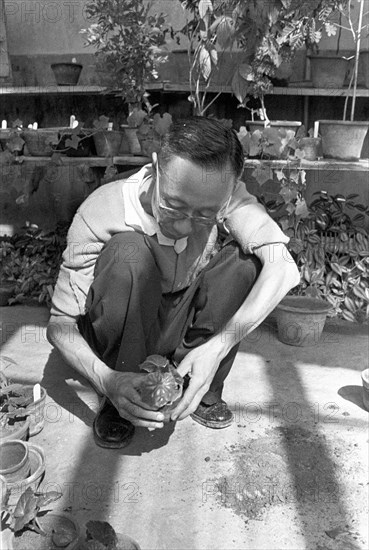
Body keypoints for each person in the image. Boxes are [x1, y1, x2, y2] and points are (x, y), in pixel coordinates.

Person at [47, 117, 300, 449]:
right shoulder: (100, 212)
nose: (184, 227)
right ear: (155, 168)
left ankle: (204, 385)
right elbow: (60, 325)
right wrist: (107, 380)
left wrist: (220, 344)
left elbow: (283, 267)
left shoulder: (223, 194)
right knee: (128, 253)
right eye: (174, 206)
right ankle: (121, 399)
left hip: (178, 318)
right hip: (124, 326)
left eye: (205, 214)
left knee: (247, 262)